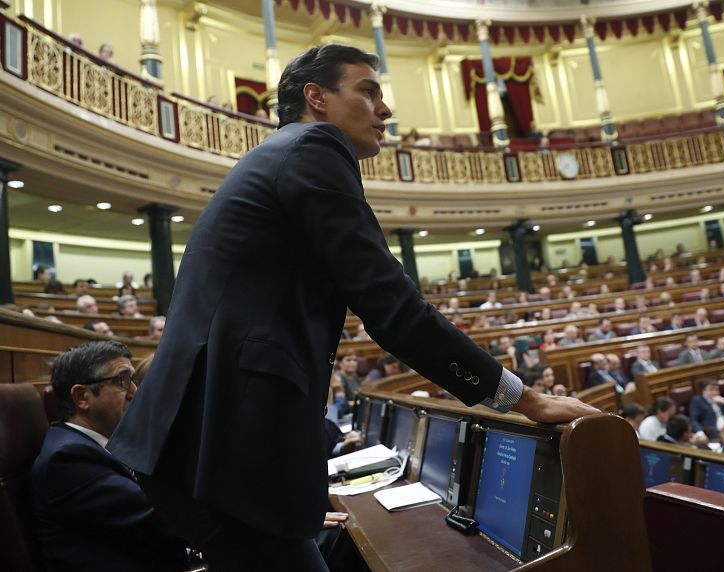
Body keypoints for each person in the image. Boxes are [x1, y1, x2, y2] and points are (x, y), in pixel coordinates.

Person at [107, 44, 596, 569]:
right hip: (227, 443)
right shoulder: (312, 148)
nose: (384, 110)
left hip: (214, 442)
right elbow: (392, 307)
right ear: (316, 98)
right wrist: (524, 401)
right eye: (368, 91)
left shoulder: (282, 154)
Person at [32, 341, 189, 572]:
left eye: (133, 380)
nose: (135, 391)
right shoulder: (67, 459)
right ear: (82, 396)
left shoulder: (99, 444)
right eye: (122, 380)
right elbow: (164, 519)